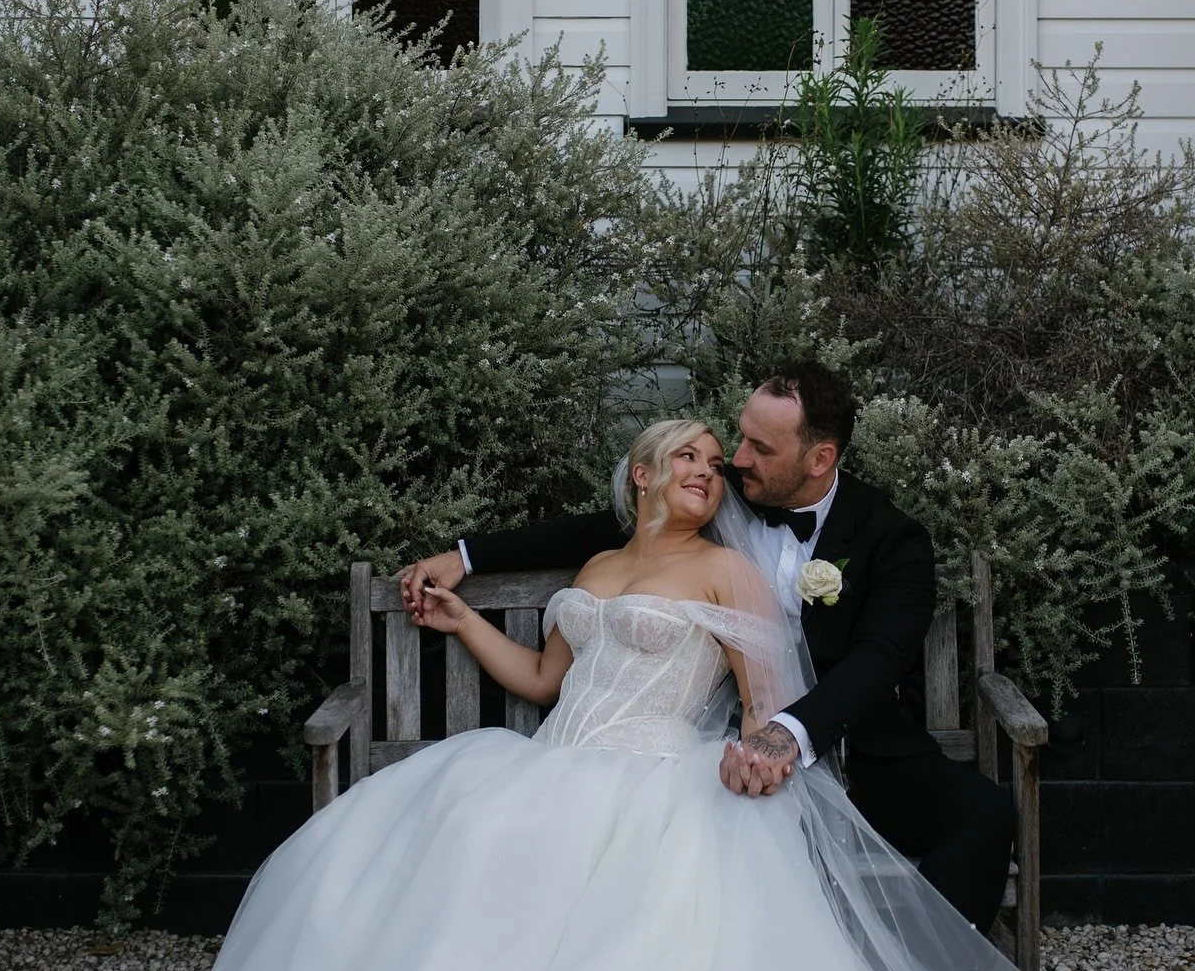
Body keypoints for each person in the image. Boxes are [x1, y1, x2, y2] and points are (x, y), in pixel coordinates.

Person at [143, 418, 1062, 971]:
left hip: (656, 780)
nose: (709, 472)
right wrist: (462, 616)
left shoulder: (725, 571)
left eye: (717, 460)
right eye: (691, 458)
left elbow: (765, 702)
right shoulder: (593, 571)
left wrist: (760, 754)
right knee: (453, 845)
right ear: (644, 473)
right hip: (549, 763)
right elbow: (546, 682)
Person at [399, 360, 1015, 936]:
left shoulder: (893, 540)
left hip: (852, 747)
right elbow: (606, 529)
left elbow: (880, 659)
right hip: (707, 743)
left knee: (983, 814)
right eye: (735, 443)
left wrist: (785, 737)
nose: (735, 462)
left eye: (757, 449)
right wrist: (465, 556)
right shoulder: (723, 497)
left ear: (820, 457)